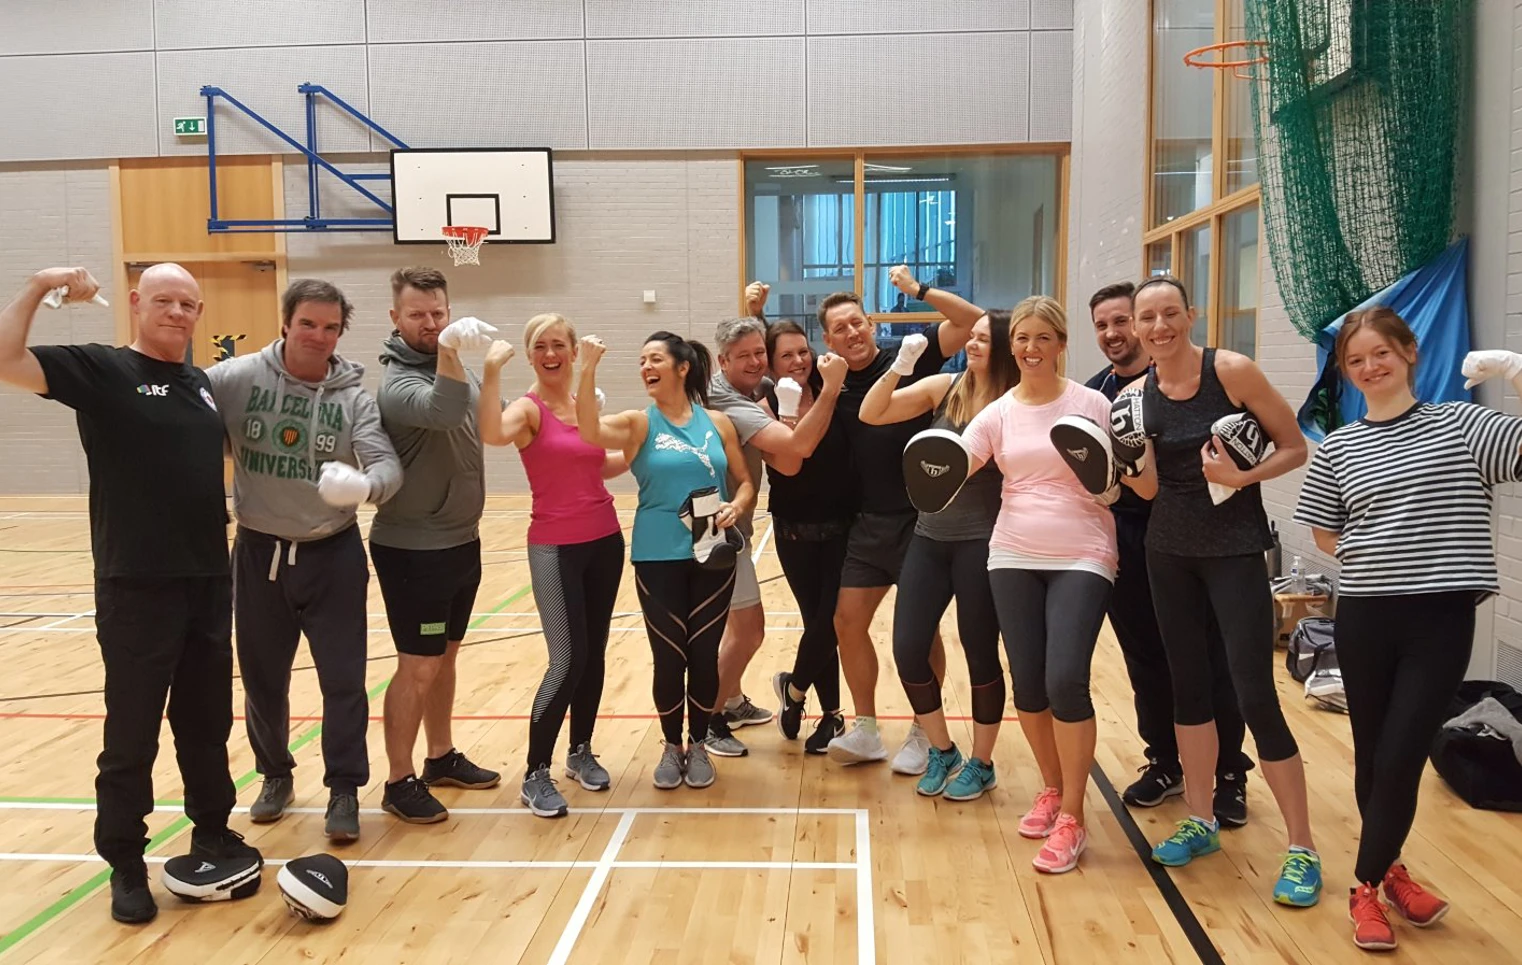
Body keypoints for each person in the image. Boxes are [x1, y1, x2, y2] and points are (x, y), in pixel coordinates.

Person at [0, 264, 262, 923]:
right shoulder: (102, 370)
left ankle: (212, 830)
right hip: (136, 584)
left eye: (189, 304)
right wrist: (37, 287)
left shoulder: (201, 385)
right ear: (137, 303)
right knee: (132, 733)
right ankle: (125, 860)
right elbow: (6, 359)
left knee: (205, 723)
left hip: (206, 578)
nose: (178, 312)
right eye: (165, 300)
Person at [1295, 308, 1521, 949]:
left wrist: (1516, 374)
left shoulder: (1463, 423)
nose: (1370, 368)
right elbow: (1322, 527)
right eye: (1355, 360)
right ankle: (1391, 871)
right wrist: (1383, 555)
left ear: (1410, 352)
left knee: (1401, 752)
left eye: (1380, 354)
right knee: (1373, 753)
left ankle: (1363, 885)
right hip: (1366, 614)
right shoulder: (1338, 444)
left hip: (1440, 618)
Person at [1118, 274, 1322, 906]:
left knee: (1257, 695)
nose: (1159, 327)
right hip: (1167, 553)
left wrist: (1243, 475)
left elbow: (1296, 447)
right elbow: (1148, 491)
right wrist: (1121, 470)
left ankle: (1302, 847)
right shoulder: (1134, 395)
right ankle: (1200, 818)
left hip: (1234, 551)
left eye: (1170, 313)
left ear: (1191, 313)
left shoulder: (1230, 371)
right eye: (1146, 318)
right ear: (1136, 327)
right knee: (1189, 692)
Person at [206, 278, 403, 843]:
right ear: (286, 322)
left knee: (343, 681)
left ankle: (344, 788)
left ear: (342, 331)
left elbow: (388, 467)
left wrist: (366, 486)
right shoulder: (235, 379)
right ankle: (274, 774)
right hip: (259, 551)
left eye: (331, 327)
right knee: (263, 680)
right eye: (308, 324)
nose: (318, 336)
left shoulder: (354, 398)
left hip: (333, 554)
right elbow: (181, 416)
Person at [1085, 281, 1253, 825]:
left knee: (1211, 659)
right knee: (1145, 658)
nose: (1113, 333)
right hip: (1130, 542)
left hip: (1199, 539)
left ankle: (1229, 773)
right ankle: (1164, 761)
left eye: (1119, 321)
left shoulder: (1195, 379)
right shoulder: (1098, 392)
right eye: (1103, 325)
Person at [959, 296, 1116, 873]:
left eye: (1042, 338)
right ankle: (1052, 788)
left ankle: (1073, 814)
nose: (1029, 348)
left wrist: (1111, 489)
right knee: (1028, 683)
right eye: (1021, 338)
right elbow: (958, 459)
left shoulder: (1092, 404)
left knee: (1065, 678)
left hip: (1083, 551)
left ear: (1060, 343)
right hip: (1013, 552)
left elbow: (1120, 478)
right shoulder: (999, 411)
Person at [575, 330, 754, 789]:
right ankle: (671, 747)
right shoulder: (639, 423)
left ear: (682, 367)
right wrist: (588, 368)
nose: (645, 368)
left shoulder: (719, 422)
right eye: (640, 361)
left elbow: (745, 480)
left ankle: (698, 745)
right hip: (656, 555)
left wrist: (738, 506)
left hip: (712, 551)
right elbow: (590, 432)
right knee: (669, 656)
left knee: (704, 654)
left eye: (654, 359)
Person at [822, 266, 981, 770]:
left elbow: (975, 321)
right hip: (867, 523)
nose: (852, 333)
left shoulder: (911, 356)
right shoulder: (830, 378)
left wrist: (918, 292)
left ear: (871, 323)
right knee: (847, 621)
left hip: (921, 519)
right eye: (840, 328)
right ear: (828, 339)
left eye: (858, 323)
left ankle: (922, 729)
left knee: (922, 630)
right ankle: (866, 729)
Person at [859, 309, 1015, 801]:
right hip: (929, 538)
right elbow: (872, 412)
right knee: (907, 649)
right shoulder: (944, 388)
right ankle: (943, 749)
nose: (973, 345)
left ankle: (982, 762)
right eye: (973, 337)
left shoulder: (1015, 402)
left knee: (980, 652)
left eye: (985, 340)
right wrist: (899, 366)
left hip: (983, 542)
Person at [479, 312, 627, 818]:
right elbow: (493, 434)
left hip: (605, 540)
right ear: (529, 353)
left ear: (571, 349)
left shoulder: (584, 406)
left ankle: (579, 751)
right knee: (567, 660)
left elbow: (602, 465)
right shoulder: (528, 409)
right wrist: (491, 372)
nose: (551, 353)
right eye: (541, 345)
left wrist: (648, 441)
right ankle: (535, 772)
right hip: (554, 548)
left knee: (595, 656)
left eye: (559, 344)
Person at [370, 267, 502, 825]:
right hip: (414, 548)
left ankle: (439, 756)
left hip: (459, 539)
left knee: (444, 658)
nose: (430, 323)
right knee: (417, 666)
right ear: (395, 318)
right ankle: (398, 780)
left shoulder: (452, 363)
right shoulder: (397, 384)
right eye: (418, 314)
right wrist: (451, 350)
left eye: (438, 313)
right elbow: (445, 411)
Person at [703, 282, 846, 757]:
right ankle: (707, 720)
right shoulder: (735, 403)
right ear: (721, 361)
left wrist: (753, 312)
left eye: (757, 353)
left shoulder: (756, 381)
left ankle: (734, 699)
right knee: (748, 631)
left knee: (734, 628)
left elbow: (764, 354)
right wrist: (832, 392)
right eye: (742, 356)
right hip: (717, 528)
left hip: (736, 525)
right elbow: (793, 453)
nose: (757, 361)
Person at [763, 321, 858, 752]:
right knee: (816, 622)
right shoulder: (761, 403)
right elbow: (791, 462)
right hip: (794, 531)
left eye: (803, 351)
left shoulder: (832, 387)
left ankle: (797, 691)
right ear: (770, 361)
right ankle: (833, 716)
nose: (799, 361)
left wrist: (831, 390)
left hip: (843, 527)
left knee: (831, 622)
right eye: (786, 355)